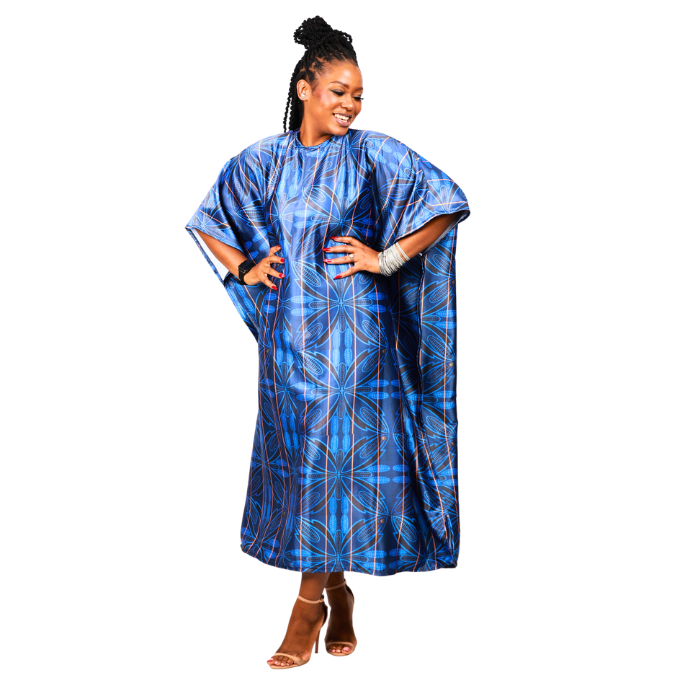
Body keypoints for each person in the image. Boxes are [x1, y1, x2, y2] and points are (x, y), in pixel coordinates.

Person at [184, 15, 471, 669]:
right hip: (288, 347)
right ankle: (339, 593)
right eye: (340, 91)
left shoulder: (372, 154)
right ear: (305, 88)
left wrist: (386, 258)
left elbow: (446, 200)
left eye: (359, 95)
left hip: (358, 347)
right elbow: (208, 218)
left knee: (330, 465)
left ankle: (306, 607)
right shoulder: (263, 159)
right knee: (307, 473)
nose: (351, 105)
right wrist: (244, 267)